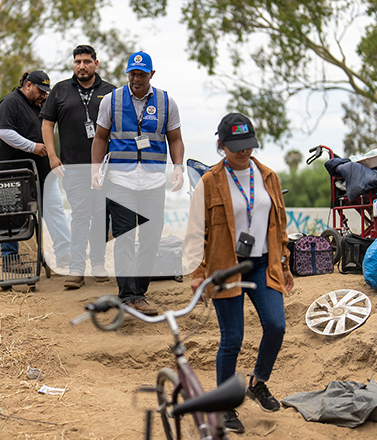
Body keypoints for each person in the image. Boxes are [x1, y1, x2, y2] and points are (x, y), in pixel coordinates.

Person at [185, 113, 294, 434]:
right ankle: (224, 407)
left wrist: (285, 265)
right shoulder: (209, 182)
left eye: (248, 146)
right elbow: (195, 232)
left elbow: (280, 225)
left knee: (276, 326)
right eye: (236, 147)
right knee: (232, 339)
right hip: (224, 266)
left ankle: (258, 382)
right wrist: (197, 273)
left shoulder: (268, 177)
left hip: (262, 263)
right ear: (221, 145)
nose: (243, 152)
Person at [91, 51, 185, 315]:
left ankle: (140, 294)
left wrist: (178, 168)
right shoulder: (112, 100)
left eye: (142, 74)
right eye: (132, 73)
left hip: (154, 182)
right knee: (124, 238)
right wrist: (94, 171)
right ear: (127, 74)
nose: (136, 79)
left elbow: (175, 139)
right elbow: (100, 137)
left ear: (151, 75)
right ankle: (127, 295)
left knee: (150, 240)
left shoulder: (167, 102)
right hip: (121, 180)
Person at [41, 45, 115, 288]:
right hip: (72, 168)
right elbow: (47, 124)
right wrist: (52, 155)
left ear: (96, 63)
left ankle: (98, 264)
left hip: (103, 168)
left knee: (100, 215)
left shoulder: (111, 92)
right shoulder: (61, 90)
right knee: (80, 215)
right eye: (77, 62)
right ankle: (76, 269)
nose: (81, 66)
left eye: (86, 61)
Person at [0, 70, 71, 272]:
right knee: (12, 214)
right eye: (41, 91)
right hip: (13, 173)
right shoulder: (10, 102)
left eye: (47, 92)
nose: (44, 96)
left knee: (55, 211)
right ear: (28, 85)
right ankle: (10, 260)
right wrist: (32, 147)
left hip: (43, 173)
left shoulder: (42, 106)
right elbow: (4, 132)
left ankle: (65, 255)